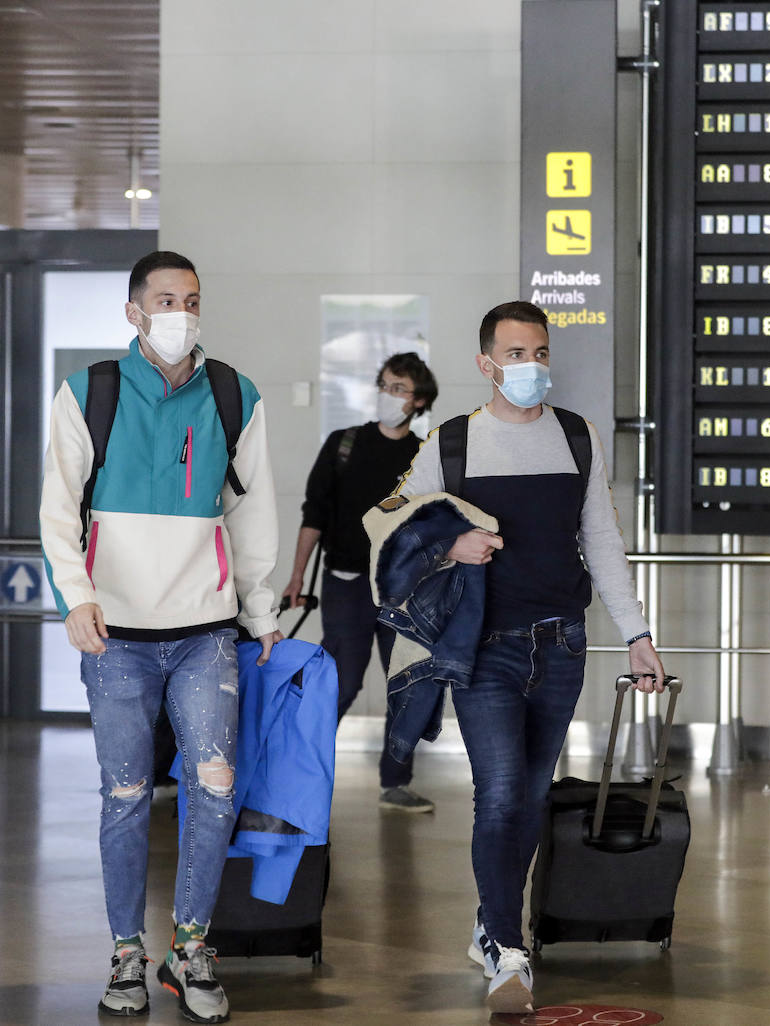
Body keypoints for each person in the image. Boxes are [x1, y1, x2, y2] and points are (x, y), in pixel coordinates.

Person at [388, 301, 665, 1014]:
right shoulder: (450, 444)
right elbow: (388, 523)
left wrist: (636, 633)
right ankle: (507, 948)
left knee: (534, 796)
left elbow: (601, 540)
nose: (529, 366)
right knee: (502, 794)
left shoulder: (577, 436)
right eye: (514, 354)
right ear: (485, 364)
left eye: (538, 352)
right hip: (484, 649)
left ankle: (492, 919)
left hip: (562, 642)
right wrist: (449, 542)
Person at [39, 250, 281, 1023]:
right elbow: (56, 507)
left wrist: (262, 609)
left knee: (215, 791)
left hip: (204, 630)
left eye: (193, 299)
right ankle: (124, 953)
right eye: (166, 299)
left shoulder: (232, 395)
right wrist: (75, 595)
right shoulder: (91, 393)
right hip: (116, 633)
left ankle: (189, 945)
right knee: (125, 795)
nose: (182, 313)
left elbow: (252, 512)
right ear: (134, 312)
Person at [282, 352, 439, 812]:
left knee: (407, 684)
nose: (388, 395)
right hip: (347, 581)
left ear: (419, 400)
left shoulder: (423, 456)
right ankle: (300, 774)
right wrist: (296, 575)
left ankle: (396, 781)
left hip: (406, 589)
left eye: (399, 389)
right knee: (341, 681)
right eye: (385, 385)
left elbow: (435, 523)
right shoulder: (343, 444)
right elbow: (314, 513)